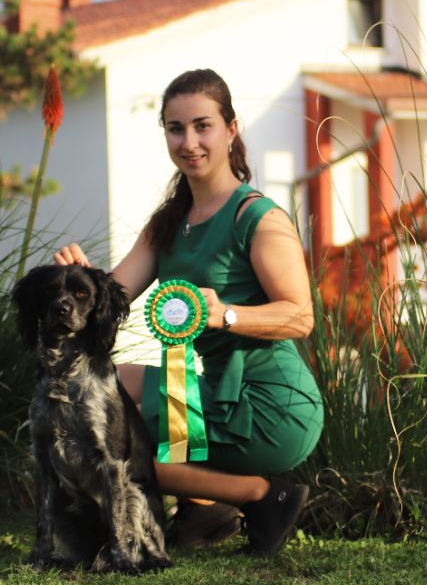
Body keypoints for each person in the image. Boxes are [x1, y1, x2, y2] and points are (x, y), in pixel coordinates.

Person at [53, 68, 324, 556]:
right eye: (176, 129)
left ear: (231, 129)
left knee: (123, 441)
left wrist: (226, 315)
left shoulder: (258, 218)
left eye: (203, 126)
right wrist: (81, 286)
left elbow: (300, 316)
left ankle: (264, 495)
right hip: (214, 392)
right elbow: (111, 300)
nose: (189, 142)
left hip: (274, 405)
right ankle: (202, 507)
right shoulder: (168, 224)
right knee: (98, 389)